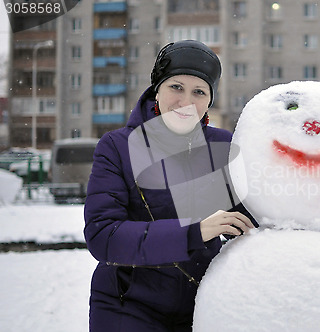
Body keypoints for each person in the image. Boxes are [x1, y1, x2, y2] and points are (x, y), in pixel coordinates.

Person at [84, 40, 256, 332]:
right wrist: (194, 232)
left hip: (202, 304)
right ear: (157, 89)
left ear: (208, 101)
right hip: (127, 303)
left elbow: (252, 216)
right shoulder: (117, 147)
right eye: (176, 87)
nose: (185, 101)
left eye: (199, 92)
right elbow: (104, 235)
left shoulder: (223, 146)